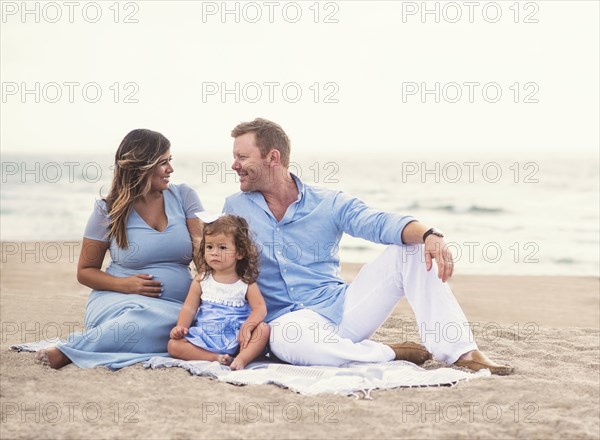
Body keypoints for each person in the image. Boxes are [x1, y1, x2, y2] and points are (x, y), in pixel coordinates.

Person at [223, 118, 513, 375]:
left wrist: (429, 235)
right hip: (285, 322)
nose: (234, 165)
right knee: (290, 339)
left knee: (410, 250)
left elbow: (377, 222)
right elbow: (222, 262)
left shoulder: (328, 202)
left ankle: (462, 351)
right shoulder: (235, 208)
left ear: (272, 157)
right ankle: (389, 352)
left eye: (242, 157)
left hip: (342, 308)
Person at [36, 129, 203, 369]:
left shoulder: (185, 196)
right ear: (141, 166)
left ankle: (103, 343)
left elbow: (203, 259)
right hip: (117, 300)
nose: (170, 169)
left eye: (170, 161)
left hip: (177, 307)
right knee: (139, 320)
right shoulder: (108, 209)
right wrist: (126, 285)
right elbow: (85, 271)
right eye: (163, 162)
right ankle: (69, 353)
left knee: (187, 323)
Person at [167, 215, 270, 370]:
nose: (214, 252)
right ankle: (216, 358)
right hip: (205, 336)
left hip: (237, 338)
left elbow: (260, 308)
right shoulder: (201, 280)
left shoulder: (245, 282)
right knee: (173, 345)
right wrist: (181, 327)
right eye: (209, 247)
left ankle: (241, 359)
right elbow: (189, 308)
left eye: (222, 247)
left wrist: (248, 326)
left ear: (240, 253)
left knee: (263, 329)